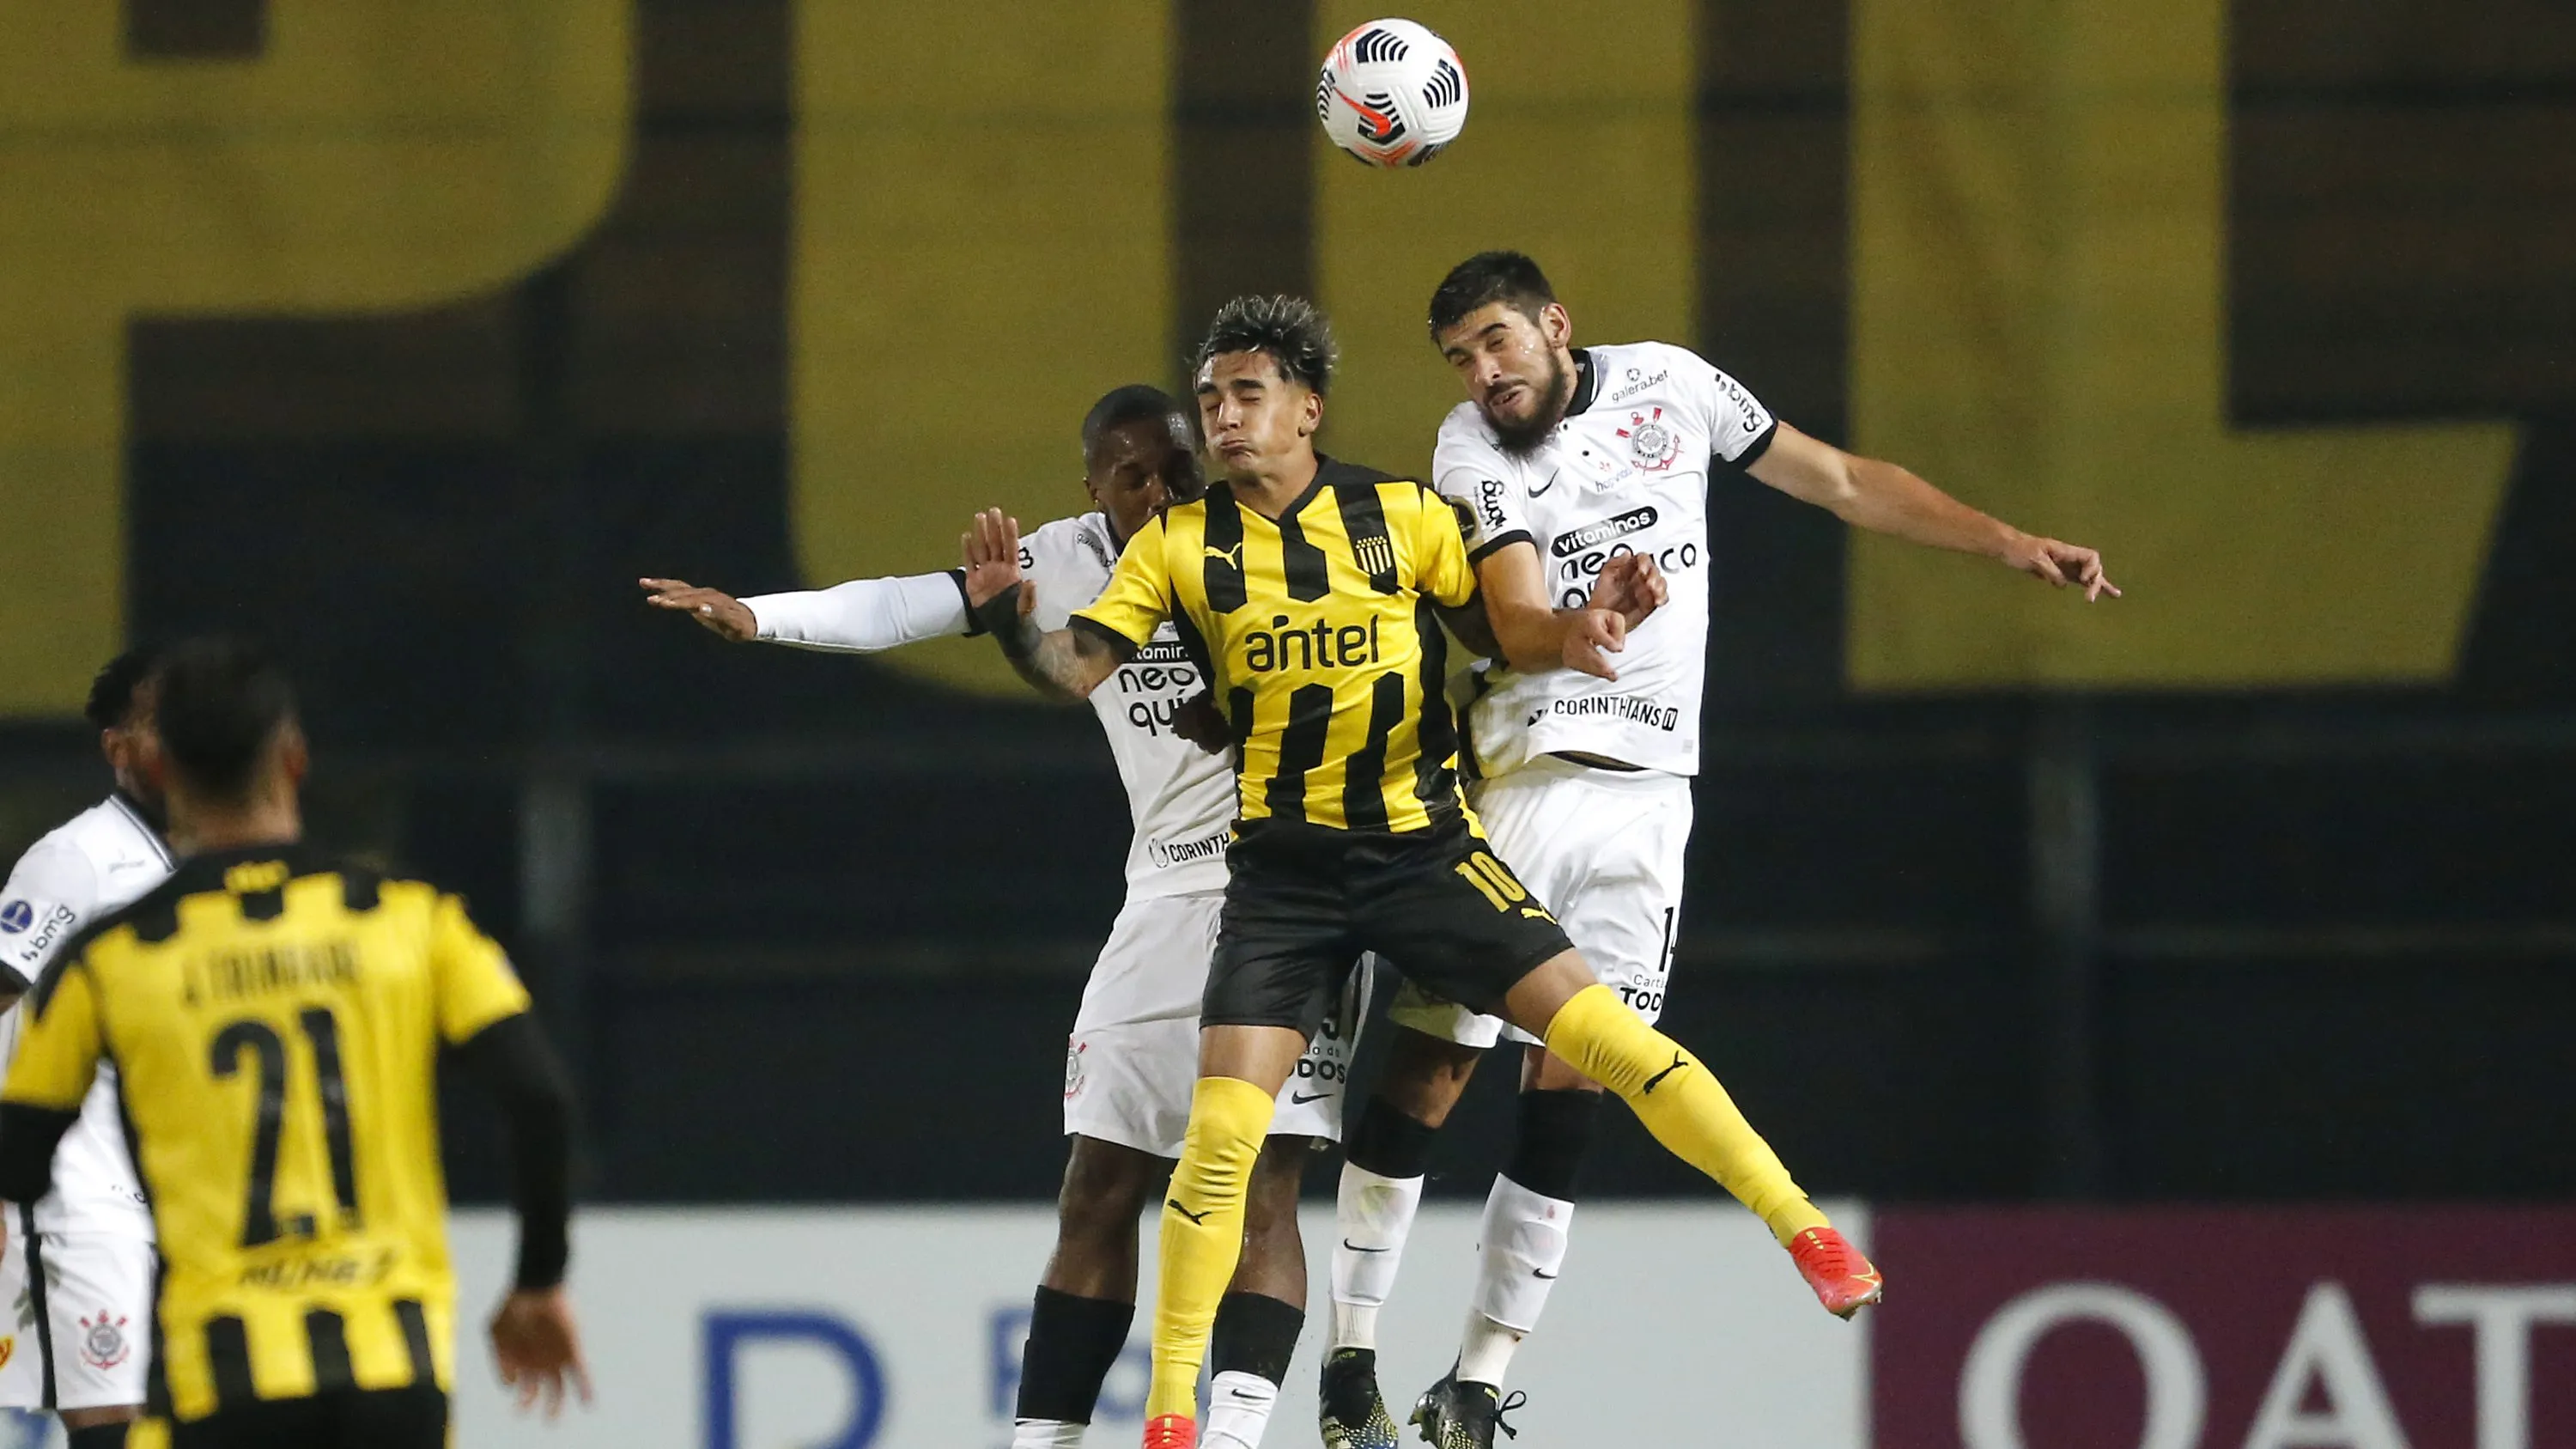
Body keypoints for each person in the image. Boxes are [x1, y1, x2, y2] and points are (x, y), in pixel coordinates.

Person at [959, 294, 1858, 1449]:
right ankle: (1172, 1416)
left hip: (1422, 851)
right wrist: (1007, 625)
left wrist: (1582, 624)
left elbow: (1498, 631)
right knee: (1224, 1138)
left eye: (1247, 394)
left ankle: (1807, 1233)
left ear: (1306, 407)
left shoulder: (1398, 514)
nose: (1223, 418)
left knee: (1607, 1038)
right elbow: (1076, 668)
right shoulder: (1182, 546)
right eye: (1210, 400)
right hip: (1282, 883)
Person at [1321, 250, 2123, 1447]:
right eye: (1461, 357)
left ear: (1556, 324)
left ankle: (1475, 1383)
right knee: (1430, 1073)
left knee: (1574, 1086)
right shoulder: (1472, 450)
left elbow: (1845, 479)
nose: (1484, 373)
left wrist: (2010, 542)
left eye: (1496, 342)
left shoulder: (1673, 386)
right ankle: (1347, 1361)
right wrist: (1581, 629)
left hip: (1654, 800)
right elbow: (1513, 615)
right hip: (1527, 784)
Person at [640, 385, 1364, 1449]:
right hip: (1162, 888)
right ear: (1092, 488)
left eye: (1177, 469)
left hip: (1289, 887)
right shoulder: (1067, 558)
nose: (1160, 490)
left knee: (1263, 1176)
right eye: (1134, 476)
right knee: (1099, 1179)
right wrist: (759, 617)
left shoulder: (1263, 537)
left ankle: (1237, 1436)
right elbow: (905, 604)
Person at [0, 640, 587, 1448]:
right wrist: (538, 1280)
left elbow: (19, 1148)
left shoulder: (113, 960)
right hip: (393, 1366)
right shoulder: (412, 919)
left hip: (219, 1378)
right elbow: (538, 1095)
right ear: (296, 759)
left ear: (164, 770)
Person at [0, 650, 173, 1448]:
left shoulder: (210, 865)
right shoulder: (78, 858)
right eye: (159, 717)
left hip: (175, 1202)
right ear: (118, 746)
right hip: (82, 1200)